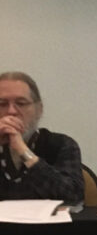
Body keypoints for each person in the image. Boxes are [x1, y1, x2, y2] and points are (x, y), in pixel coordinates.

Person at [0, 71, 83, 202]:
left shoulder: (61, 144)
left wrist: (22, 150)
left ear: (39, 110)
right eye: (2, 104)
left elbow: (72, 195)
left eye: (21, 103)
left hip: (49, 222)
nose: (11, 111)